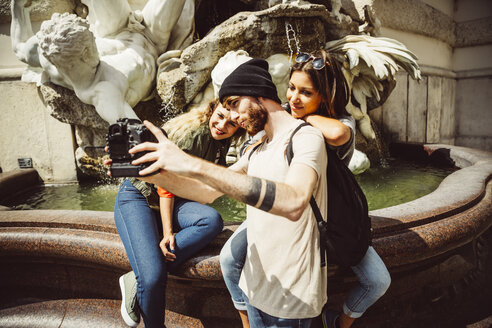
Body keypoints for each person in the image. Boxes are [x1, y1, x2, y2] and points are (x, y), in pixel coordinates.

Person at [129, 58, 329, 328]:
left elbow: (293, 201)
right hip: (254, 288)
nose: (233, 117)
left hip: (291, 301)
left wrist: (189, 163)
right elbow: (207, 192)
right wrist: (153, 172)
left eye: (234, 104)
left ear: (257, 93)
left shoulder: (305, 137)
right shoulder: (258, 147)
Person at [221, 49, 391, 328]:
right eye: (290, 88)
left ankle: (338, 323)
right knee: (228, 259)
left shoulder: (341, 121)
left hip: (331, 216)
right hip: (284, 211)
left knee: (378, 281)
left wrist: (297, 119)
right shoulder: (282, 118)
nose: (293, 98)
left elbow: (336, 134)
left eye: (306, 93)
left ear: (324, 96)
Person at [112, 100, 243, 328]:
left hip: (175, 201)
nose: (222, 125)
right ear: (212, 110)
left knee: (211, 220)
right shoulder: (194, 135)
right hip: (138, 197)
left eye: (231, 123)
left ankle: (135, 276)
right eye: (220, 116)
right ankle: (146, 281)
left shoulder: (220, 140)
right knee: (153, 278)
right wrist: (168, 232)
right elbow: (165, 186)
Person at [10, 0, 193, 123]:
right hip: (154, 38)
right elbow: (133, 131)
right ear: (85, 53)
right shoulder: (103, 90)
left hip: (115, 31)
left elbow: (19, 48)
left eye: (91, 38)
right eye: (91, 44)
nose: (93, 44)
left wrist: (18, 8)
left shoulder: (53, 54)